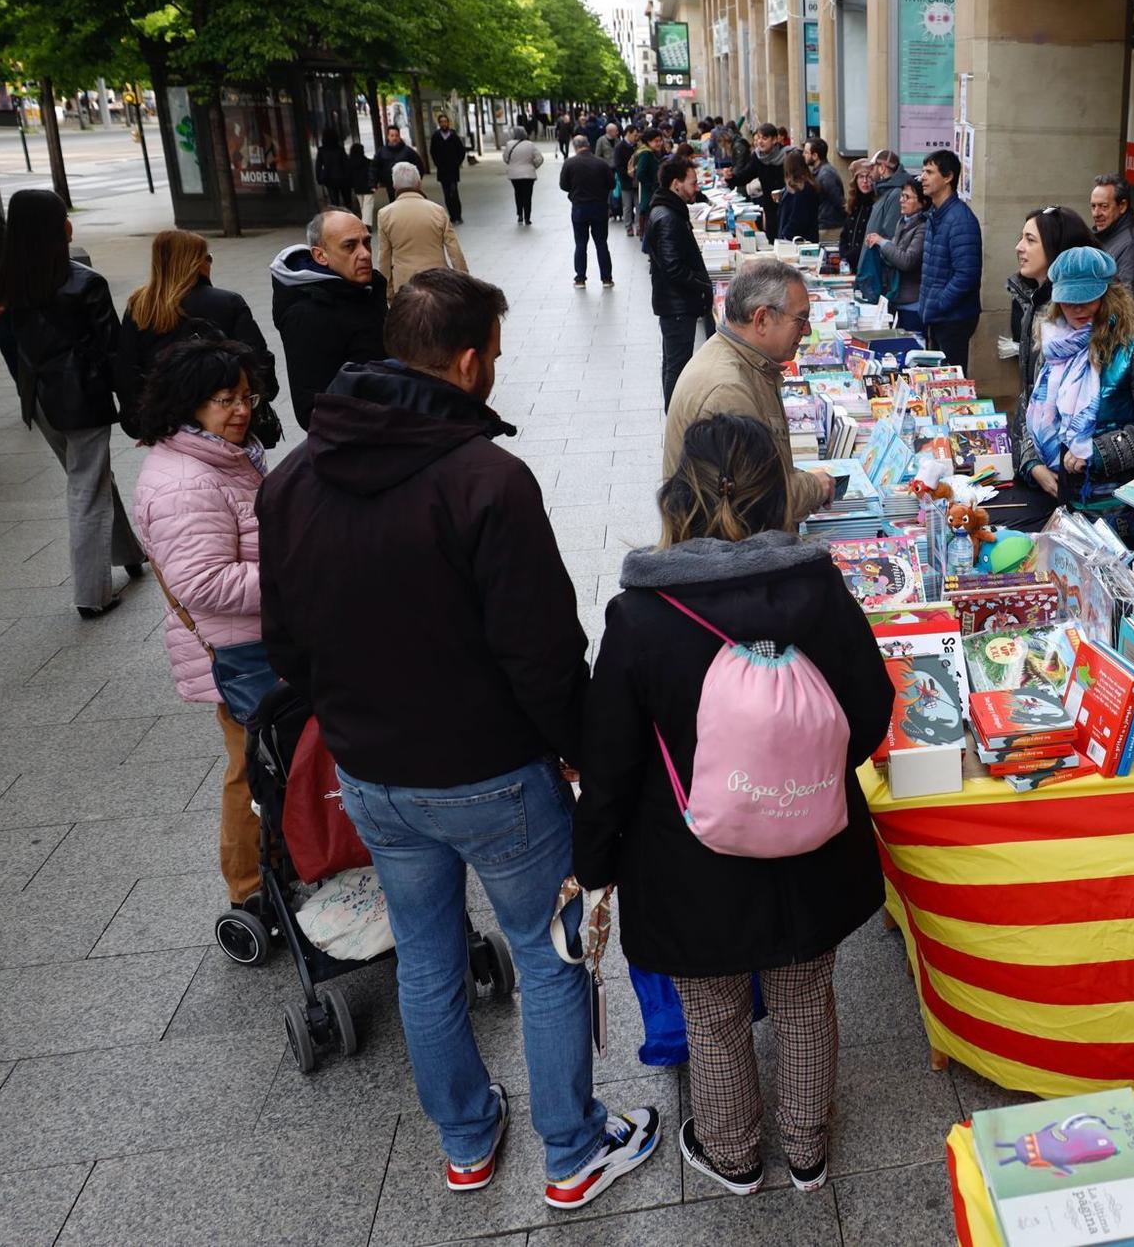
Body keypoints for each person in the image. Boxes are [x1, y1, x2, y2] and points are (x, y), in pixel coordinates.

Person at [257, 269, 660, 1209]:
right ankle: (571, 1150)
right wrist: (582, 749)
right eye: (497, 358)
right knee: (547, 948)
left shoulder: (291, 480)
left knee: (429, 954)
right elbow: (544, 652)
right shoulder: (485, 480)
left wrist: (356, 719)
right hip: (492, 775)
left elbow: (286, 646)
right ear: (470, 361)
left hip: (372, 773)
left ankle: (468, 1143)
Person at [574, 411, 893, 1196]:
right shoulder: (817, 585)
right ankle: (808, 1151)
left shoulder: (642, 613)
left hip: (688, 854)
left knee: (713, 1012)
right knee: (806, 994)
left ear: (679, 492)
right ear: (776, 493)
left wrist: (594, 865)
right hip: (812, 840)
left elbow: (608, 757)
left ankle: (733, 1153)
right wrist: (804, 770)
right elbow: (872, 706)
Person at [129, 336, 269, 915]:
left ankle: (282, 865)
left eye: (245, 395)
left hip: (261, 644)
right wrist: (301, 578)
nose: (241, 410)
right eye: (224, 400)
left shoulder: (222, 458)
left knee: (268, 765)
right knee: (250, 771)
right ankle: (250, 890)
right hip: (241, 653)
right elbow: (204, 582)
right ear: (189, 404)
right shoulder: (187, 482)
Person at [0, 189, 147, 617]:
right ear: (57, 226)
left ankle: (129, 554)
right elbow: (113, 349)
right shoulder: (82, 282)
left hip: (39, 397)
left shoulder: (9, 279)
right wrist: (134, 403)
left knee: (92, 478)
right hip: (81, 396)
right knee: (87, 488)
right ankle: (92, 594)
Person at [1013, 247, 1134, 531]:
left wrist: (1096, 452)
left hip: (1120, 504)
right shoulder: (1053, 340)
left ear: (1108, 295)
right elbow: (1029, 408)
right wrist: (1033, 464)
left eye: (1087, 299)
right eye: (1068, 301)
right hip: (1061, 495)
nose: (1077, 309)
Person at [663, 258, 833, 525]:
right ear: (762, 319)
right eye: (801, 320)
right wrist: (815, 487)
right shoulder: (728, 391)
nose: (807, 330)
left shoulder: (744, 361)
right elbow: (751, 503)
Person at [117, 228, 281, 442]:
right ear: (197, 263)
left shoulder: (140, 307)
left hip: (168, 423)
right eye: (208, 258)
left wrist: (144, 418)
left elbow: (126, 371)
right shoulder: (227, 303)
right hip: (224, 419)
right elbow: (257, 361)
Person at [270, 209, 387, 430]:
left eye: (366, 242)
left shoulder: (370, 290)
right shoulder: (307, 316)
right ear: (320, 256)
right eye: (349, 246)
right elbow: (311, 410)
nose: (364, 254)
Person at [1006, 206, 1096, 399]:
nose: (1019, 247)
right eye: (1021, 238)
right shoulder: (1030, 298)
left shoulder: (1076, 311)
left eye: (1030, 240)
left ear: (1056, 246)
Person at [645, 157, 716, 404]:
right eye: (693, 182)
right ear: (676, 183)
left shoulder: (669, 210)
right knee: (677, 366)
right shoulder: (668, 217)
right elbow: (672, 267)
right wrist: (703, 285)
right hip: (677, 306)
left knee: (674, 363)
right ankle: (676, 418)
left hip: (676, 304)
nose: (697, 188)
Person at [916, 149, 983, 366]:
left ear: (948, 177)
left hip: (953, 318)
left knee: (951, 385)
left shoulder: (960, 219)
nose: (922, 177)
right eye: (923, 171)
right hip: (937, 316)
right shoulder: (936, 215)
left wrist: (939, 303)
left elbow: (967, 274)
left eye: (929, 172)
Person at [378, 163, 468, 298]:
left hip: (404, 283)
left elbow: (384, 256)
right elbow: (454, 250)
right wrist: (464, 283)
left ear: (395, 186)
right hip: (437, 280)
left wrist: (388, 291)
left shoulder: (385, 214)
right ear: (419, 183)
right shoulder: (437, 211)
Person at [865, 176, 929, 331]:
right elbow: (894, 252)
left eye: (907, 197)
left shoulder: (923, 227)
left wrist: (883, 243)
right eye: (902, 195)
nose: (901, 200)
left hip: (912, 302)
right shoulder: (903, 221)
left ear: (922, 202)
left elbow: (907, 260)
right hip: (896, 297)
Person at [559, 135, 615, 289]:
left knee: (581, 244)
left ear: (575, 146)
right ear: (588, 145)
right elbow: (612, 183)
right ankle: (607, 278)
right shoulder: (601, 163)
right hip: (599, 207)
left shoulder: (569, 163)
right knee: (601, 243)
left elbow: (563, 185)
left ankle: (580, 279)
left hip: (579, 208)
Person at [727, 123, 789, 240]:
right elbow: (745, 176)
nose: (760, 142)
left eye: (765, 138)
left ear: (775, 139)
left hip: (787, 208)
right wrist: (730, 177)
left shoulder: (787, 155)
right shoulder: (758, 157)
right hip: (770, 209)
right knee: (772, 241)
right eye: (759, 138)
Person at [1090, 174, 1134, 299]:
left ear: (1122, 206)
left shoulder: (1132, 243)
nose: (1096, 214)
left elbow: (1127, 299)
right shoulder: (1100, 236)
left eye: (1104, 206)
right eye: (1093, 206)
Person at [862, 149, 909, 244]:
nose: (869, 173)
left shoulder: (896, 194)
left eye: (872, 168)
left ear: (882, 168)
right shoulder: (885, 192)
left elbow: (890, 236)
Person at [774, 150, 822, 244]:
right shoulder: (805, 185)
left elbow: (798, 219)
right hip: (804, 238)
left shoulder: (802, 189)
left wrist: (785, 235)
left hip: (798, 241)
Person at [429, 112, 467, 224]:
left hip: (453, 169)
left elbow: (461, 151)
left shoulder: (453, 136)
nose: (444, 124)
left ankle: (458, 215)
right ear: (439, 123)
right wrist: (437, 163)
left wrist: (457, 162)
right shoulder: (436, 136)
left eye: (445, 122)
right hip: (442, 170)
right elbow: (433, 152)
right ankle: (452, 215)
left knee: (454, 192)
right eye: (442, 122)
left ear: (448, 123)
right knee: (446, 194)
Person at [838, 160, 878, 267]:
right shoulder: (853, 204)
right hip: (849, 264)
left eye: (868, 177)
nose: (865, 181)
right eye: (861, 177)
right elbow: (844, 236)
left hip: (867, 263)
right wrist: (843, 257)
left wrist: (848, 257)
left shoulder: (876, 205)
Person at [502, 124, 545, 225]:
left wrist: (512, 164)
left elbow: (505, 158)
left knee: (518, 193)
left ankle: (519, 215)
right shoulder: (530, 144)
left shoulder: (509, 144)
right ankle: (527, 217)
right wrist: (534, 166)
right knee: (527, 196)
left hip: (514, 175)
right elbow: (540, 158)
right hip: (528, 174)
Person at [805, 137, 846, 236]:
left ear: (815, 156)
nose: (803, 155)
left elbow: (838, 201)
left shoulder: (826, 175)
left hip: (829, 226)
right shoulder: (818, 172)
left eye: (806, 152)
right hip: (824, 224)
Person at [375, 124, 425, 204]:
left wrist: (417, 180)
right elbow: (375, 167)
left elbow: (419, 165)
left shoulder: (408, 151)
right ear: (388, 137)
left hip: (408, 186)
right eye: (392, 135)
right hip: (390, 185)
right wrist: (374, 182)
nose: (394, 138)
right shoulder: (382, 152)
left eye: (396, 135)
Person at [632, 132, 666, 238]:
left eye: (660, 140)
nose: (659, 143)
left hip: (651, 190)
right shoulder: (646, 154)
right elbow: (640, 173)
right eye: (656, 141)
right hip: (649, 191)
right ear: (648, 142)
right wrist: (651, 185)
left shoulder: (653, 153)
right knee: (648, 213)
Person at [316, 127, 352, 210]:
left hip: (329, 178)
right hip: (343, 178)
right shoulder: (340, 149)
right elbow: (346, 164)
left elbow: (318, 166)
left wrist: (319, 178)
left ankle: (337, 218)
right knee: (347, 201)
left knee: (334, 202)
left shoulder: (321, 150)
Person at [347, 140, 376, 228]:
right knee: (368, 205)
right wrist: (374, 184)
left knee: (362, 205)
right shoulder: (368, 162)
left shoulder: (349, 163)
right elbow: (372, 173)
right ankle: (366, 224)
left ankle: (364, 223)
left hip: (357, 187)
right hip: (368, 186)